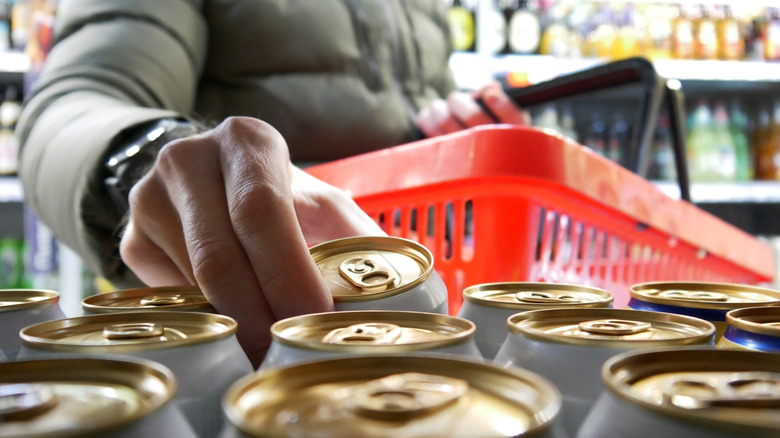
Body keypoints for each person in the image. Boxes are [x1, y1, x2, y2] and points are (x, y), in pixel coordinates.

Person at [16, 0, 528, 366]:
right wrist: (147, 154)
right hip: (233, 321)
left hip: (403, 303)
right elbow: (73, 101)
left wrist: (454, 129)